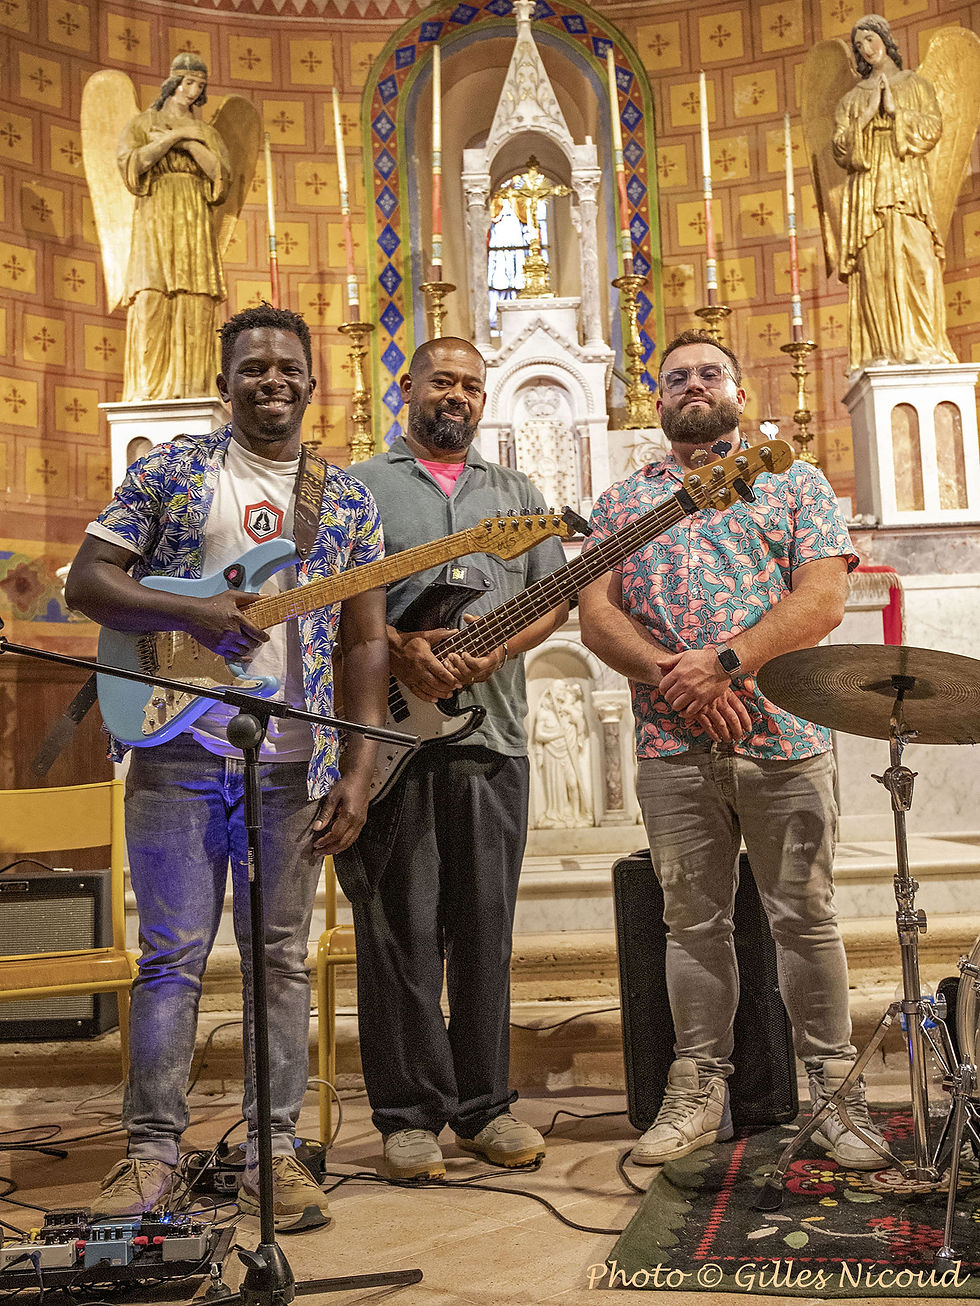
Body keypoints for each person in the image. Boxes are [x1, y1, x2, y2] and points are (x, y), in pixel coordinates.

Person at [65, 304, 388, 1230]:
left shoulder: (348, 501)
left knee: (280, 962)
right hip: (173, 747)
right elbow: (86, 581)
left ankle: (273, 1151)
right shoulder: (169, 472)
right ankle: (149, 1156)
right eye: (254, 368)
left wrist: (357, 770)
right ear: (227, 382)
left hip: (293, 761)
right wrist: (199, 618)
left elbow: (367, 643)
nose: (273, 381)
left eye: (289, 367)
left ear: (312, 383)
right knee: (169, 958)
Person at [578, 329, 886, 1169]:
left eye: (710, 372)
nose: (693, 386)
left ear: (739, 391)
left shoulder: (794, 479)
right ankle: (695, 1089)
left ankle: (833, 1092)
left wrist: (725, 664)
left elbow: (822, 599)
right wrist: (674, 679)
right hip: (671, 742)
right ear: (659, 399)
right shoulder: (624, 499)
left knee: (806, 919)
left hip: (781, 732)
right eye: (676, 378)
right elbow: (596, 612)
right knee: (692, 924)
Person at [341, 337, 568, 1180]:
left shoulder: (517, 494)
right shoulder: (360, 488)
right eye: (444, 381)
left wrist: (501, 646)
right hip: (391, 742)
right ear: (409, 387)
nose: (460, 397)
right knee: (400, 931)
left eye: (473, 387)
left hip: (494, 734)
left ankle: (484, 1109)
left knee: (483, 931)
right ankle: (408, 1116)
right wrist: (397, 646)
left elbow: (555, 598)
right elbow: (329, 607)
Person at [832, 14, 956, 373]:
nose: (866, 49)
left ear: (885, 40)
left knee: (918, 260)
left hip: (907, 186)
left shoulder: (916, 85)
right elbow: (841, 149)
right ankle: (882, 349)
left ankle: (924, 343)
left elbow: (933, 128)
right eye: (858, 46)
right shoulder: (851, 100)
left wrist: (896, 112)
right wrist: (867, 116)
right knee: (876, 269)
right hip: (869, 193)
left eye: (870, 39)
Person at [117, 53, 231, 401]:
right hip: (155, 213)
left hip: (194, 217)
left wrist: (185, 138)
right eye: (187, 82)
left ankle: (193, 388)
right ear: (173, 83)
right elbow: (132, 164)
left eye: (199, 86)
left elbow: (220, 174)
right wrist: (169, 140)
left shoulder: (206, 132)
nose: (192, 91)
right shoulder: (142, 123)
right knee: (151, 295)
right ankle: (149, 389)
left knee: (195, 298)